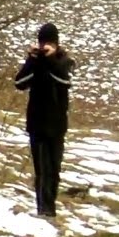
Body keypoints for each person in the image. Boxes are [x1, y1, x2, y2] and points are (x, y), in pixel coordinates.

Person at [13, 22, 75, 218]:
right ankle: (43, 210)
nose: (45, 47)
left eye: (48, 43)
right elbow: (20, 83)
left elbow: (64, 81)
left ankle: (51, 208)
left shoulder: (65, 61)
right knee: (42, 170)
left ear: (56, 44)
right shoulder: (36, 62)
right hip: (37, 125)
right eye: (42, 43)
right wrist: (31, 60)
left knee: (54, 169)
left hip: (57, 126)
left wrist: (50, 60)